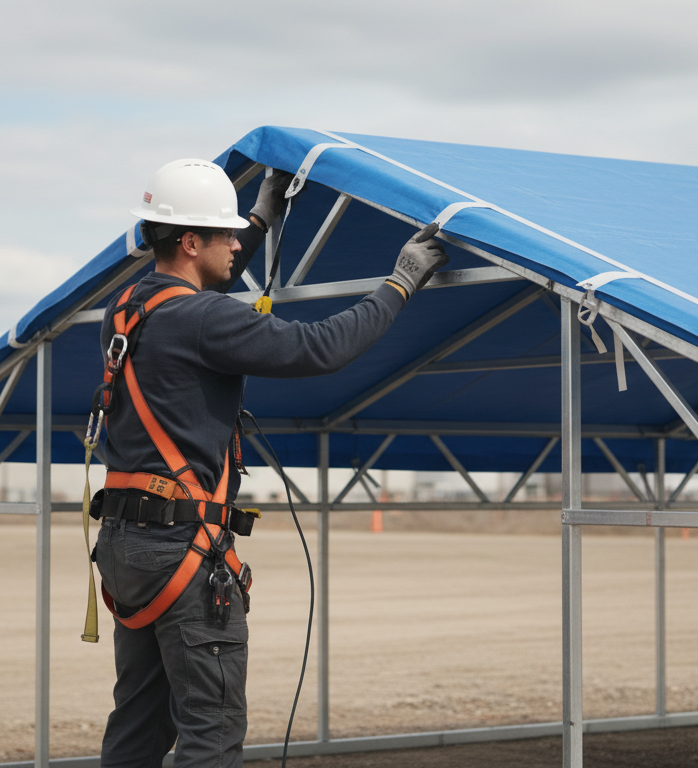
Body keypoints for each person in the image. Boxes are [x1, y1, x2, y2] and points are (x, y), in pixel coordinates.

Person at [91, 158, 447, 767]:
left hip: (127, 544)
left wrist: (261, 215)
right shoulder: (202, 319)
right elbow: (320, 346)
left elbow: (202, 296)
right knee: (212, 729)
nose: (237, 246)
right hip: (180, 546)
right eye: (226, 235)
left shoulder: (126, 310)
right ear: (190, 241)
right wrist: (400, 284)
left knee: (140, 724)